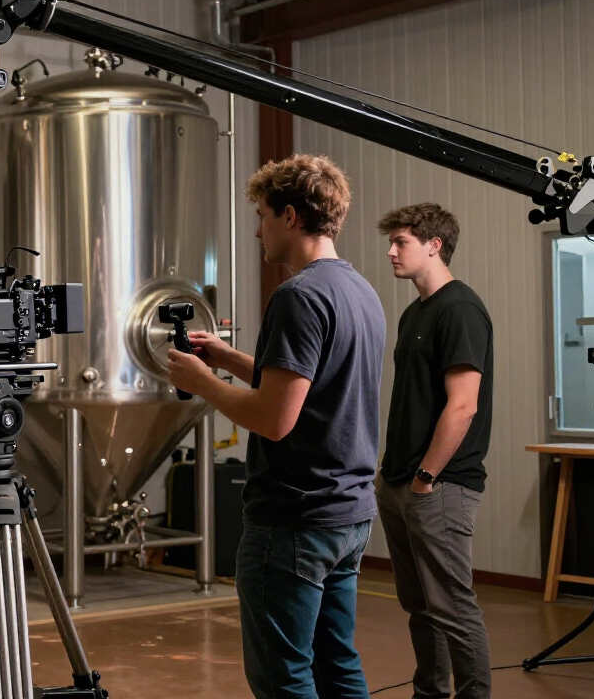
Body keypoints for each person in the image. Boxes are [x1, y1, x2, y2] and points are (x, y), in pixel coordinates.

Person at [169, 154, 385, 699]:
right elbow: (311, 388)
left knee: (283, 676)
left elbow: (274, 418)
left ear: (290, 217)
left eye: (263, 215)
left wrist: (203, 384)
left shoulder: (298, 296)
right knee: (337, 665)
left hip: (294, 517)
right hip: (348, 512)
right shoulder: (360, 292)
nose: (258, 230)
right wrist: (228, 357)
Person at [376, 203, 493, 699]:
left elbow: (462, 406)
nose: (391, 252)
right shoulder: (413, 312)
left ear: (433, 244)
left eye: (400, 242)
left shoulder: (460, 309)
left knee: (452, 606)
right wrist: (392, 477)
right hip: (400, 482)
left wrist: (426, 477)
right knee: (420, 606)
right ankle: (429, 693)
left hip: (439, 485)